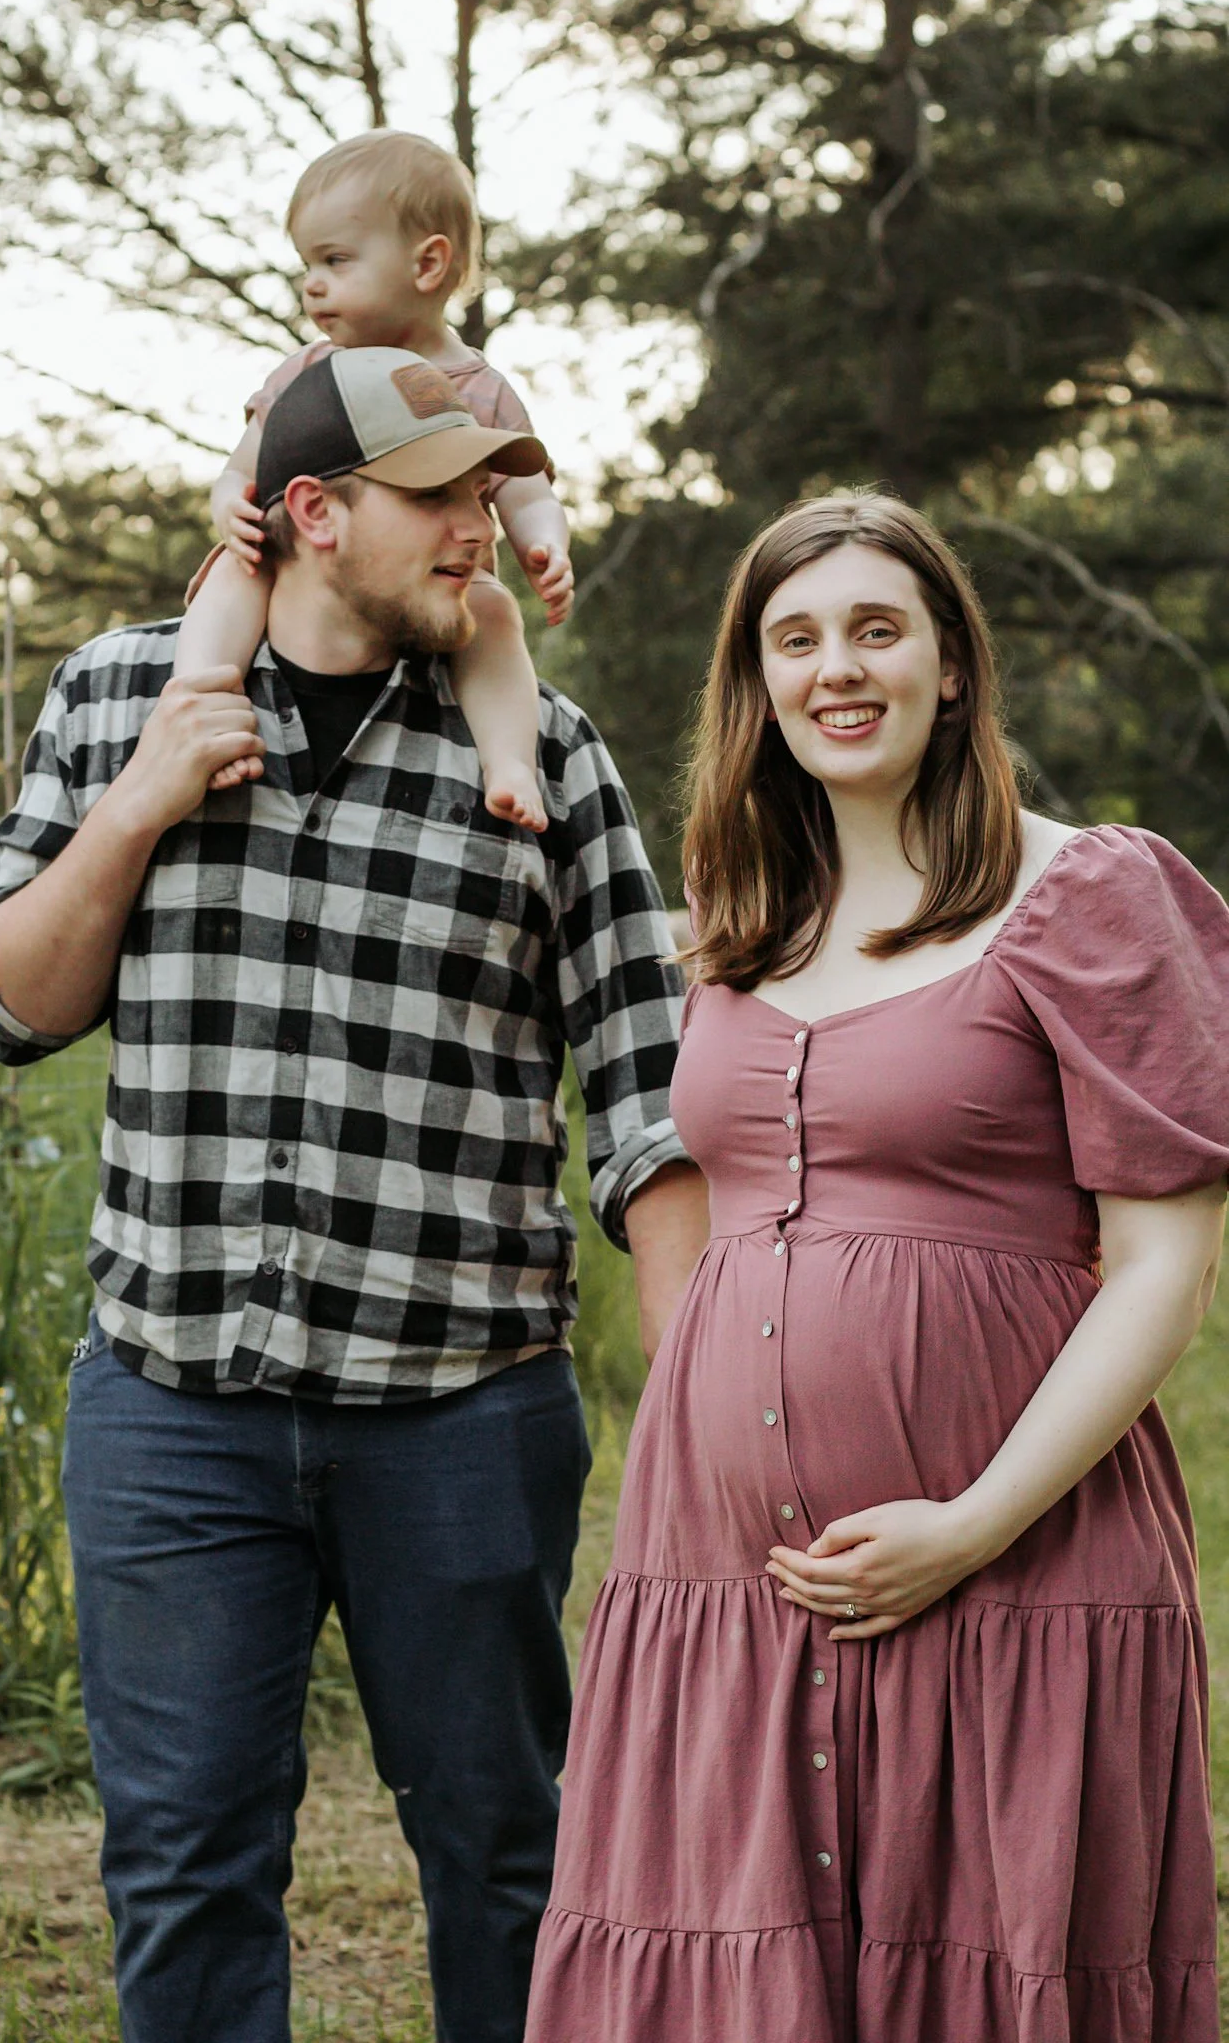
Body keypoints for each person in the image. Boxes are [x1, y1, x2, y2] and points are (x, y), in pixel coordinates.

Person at [0, 347, 708, 2043]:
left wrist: (702, 1382)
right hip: (173, 1408)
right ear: (313, 513)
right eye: (441, 498)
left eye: (491, 494)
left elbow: (650, 1089)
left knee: (508, 1853)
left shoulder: (548, 760)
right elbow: (10, 1000)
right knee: (188, 1857)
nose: (481, 532)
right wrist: (143, 799)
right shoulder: (117, 695)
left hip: (464, 1412)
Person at [525, 491, 1229, 2042]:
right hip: (723, 1588)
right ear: (756, 685)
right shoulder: (736, 916)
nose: (835, 669)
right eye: (794, 639)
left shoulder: (1090, 895)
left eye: (874, 629)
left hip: (1018, 1566)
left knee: (982, 1966)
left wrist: (968, 1526)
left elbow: (1163, 1274)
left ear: (949, 666)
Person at [178, 127, 572, 834]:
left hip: (445, 589)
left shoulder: (479, 389)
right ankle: (200, 701)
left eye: (335, 259)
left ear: (427, 264)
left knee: (497, 616)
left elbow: (528, 491)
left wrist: (545, 547)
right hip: (302, 574)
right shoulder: (307, 375)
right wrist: (226, 506)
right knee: (233, 574)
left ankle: (509, 760)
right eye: (308, 263)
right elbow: (241, 468)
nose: (312, 283)